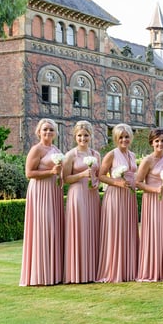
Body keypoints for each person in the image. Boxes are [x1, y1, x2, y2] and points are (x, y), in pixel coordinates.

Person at [20, 118, 64, 286]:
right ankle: (39, 275)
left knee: (53, 229)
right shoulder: (36, 149)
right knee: (42, 229)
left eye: (51, 129)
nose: (48, 132)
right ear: (39, 132)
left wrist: (60, 176)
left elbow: (59, 172)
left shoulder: (56, 150)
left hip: (53, 191)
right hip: (40, 192)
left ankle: (53, 273)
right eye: (45, 129)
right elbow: (29, 173)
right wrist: (50, 172)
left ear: (55, 132)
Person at [96, 123, 139, 283]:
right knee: (116, 231)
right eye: (121, 137)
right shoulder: (111, 155)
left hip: (129, 197)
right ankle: (114, 269)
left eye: (126, 137)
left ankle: (129, 269)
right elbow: (101, 175)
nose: (124, 140)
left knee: (128, 230)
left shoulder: (132, 155)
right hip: (115, 197)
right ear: (115, 138)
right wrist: (116, 182)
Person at [136, 128, 163, 282]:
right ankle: (152, 269)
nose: (160, 143)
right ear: (152, 143)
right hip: (152, 200)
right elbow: (138, 182)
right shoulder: (147, 160)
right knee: (154, 231)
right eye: (157, 141)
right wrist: (155, 190)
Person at [62, 120, 101, 284]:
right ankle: (77, 272)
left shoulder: (96, 154)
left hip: (92, 195)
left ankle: (93, 271)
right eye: (79, 135)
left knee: (93, 229)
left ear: (90, 136)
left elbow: (99, 175)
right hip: (77, 194)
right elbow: (65, 179)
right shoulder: (71, 155)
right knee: (79, 230)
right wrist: (82, 175)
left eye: (86, 135)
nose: (83, 138)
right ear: (75, 137)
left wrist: (96, 183)